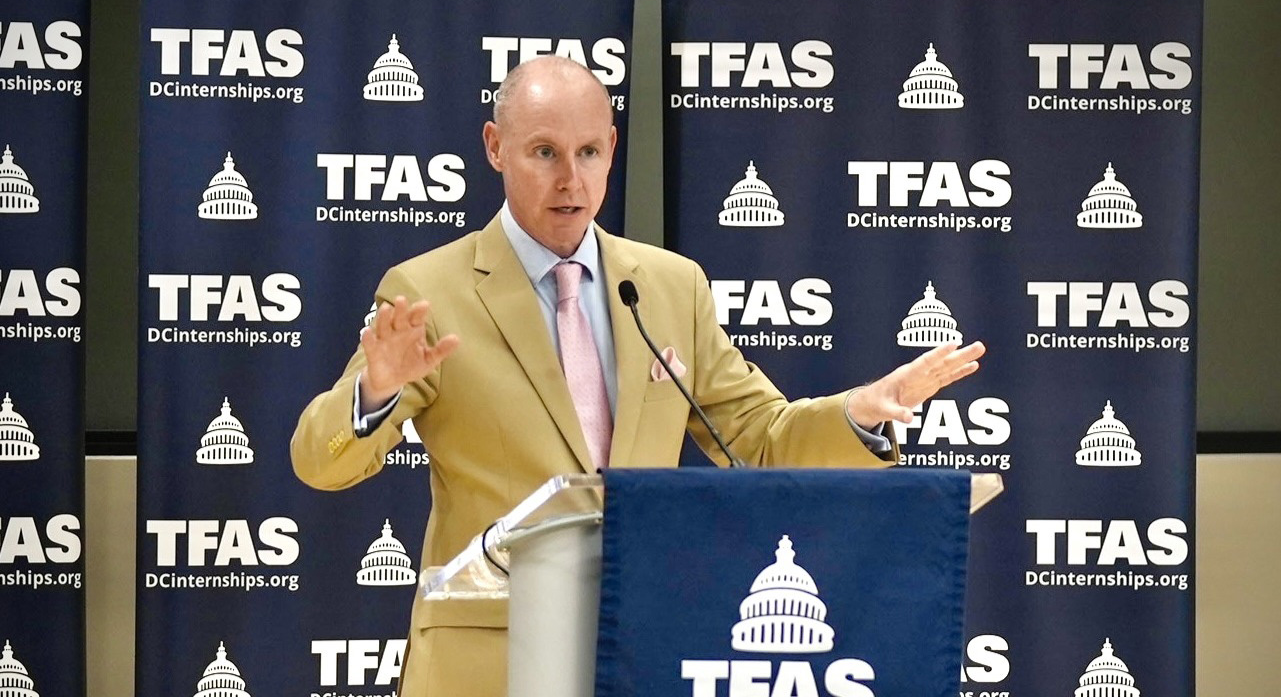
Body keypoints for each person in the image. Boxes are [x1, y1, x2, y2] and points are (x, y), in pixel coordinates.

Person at [291, 55, 985, 697]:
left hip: (640, 645)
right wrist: (375, 392)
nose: (571, 179)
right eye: (544, 152)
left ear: (612, 148)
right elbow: (321, 463)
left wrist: (861, 412)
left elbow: (758, 436)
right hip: (490, 661)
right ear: (495, 147)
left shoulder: (669, 286)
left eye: (589, 152)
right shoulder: (429, 291)